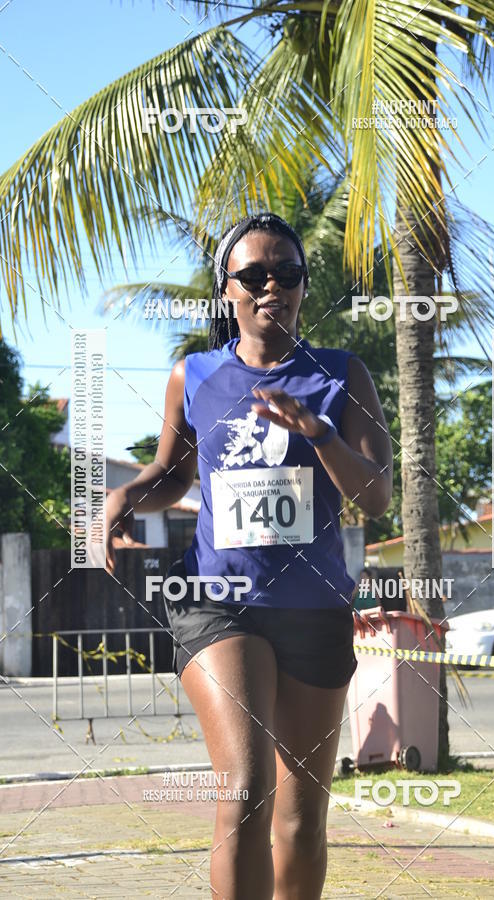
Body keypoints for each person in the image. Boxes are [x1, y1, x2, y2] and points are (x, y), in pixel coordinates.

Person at [105, 212, 393, 899]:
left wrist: (320, 433)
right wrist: (124, 497)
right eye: (255, 275)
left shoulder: (342, 374)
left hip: (313, 606)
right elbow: (173, 474)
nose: (272, 287)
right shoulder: (195, 375)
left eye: (287, 273)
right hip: (216, 602)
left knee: (301, 821)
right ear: (226, 288)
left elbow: (377, 496)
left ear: (303, 285)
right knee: (244, 786)